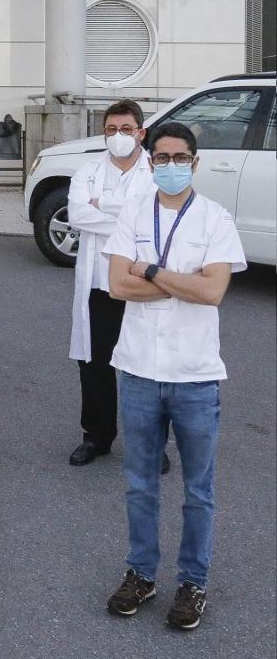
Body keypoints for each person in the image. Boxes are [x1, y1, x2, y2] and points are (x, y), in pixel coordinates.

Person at [102, 122, 246, 631]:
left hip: (195, 375)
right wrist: (181, 282)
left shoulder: (214, 219)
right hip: (138, 370)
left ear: (195, 162)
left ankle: (192, 582)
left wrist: (153, 272)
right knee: (140, 485)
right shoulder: (133, 214)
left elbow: (213, 292)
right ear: (151, 162)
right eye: (160, 158)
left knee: (198, 489)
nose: (169, 165)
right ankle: (141, 573)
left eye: (178, 157)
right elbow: (118, 285)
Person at [66, 99, 153, 467]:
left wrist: (105, 205)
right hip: (100, 283)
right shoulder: (87, 170)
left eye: (126, 129)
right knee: (96, 363)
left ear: (141, 133)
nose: (118, 136)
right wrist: (127, 215)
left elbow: (154, 218)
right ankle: (97, 437)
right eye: (111, 130)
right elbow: (78, 214)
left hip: (141, 284)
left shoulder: (155, 172)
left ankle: (149, 444)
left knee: (146, 365)